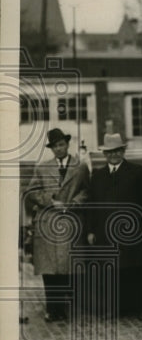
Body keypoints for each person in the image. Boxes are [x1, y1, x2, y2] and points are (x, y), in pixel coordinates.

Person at [86, 133, 142, 319]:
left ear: (123, 151)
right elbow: (92, 205)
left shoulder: (138, 172)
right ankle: (114, 307)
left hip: (131, 231)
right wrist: (91, 230)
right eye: (109, 152)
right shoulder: (98, 176)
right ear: (104, 154)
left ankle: (140, 306)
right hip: (105, 232)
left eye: (117, 151)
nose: (113, 155)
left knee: (135, 269)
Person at [25, 128, 90, 321]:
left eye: (62, 144)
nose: (59, 149)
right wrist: (50, 201)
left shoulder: (80, 167)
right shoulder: (42, 168)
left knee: (68, 267)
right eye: (55, 146)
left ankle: (67, 307)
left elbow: (87, 191)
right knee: (50, 270)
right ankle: (53, 309)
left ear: (67, 144)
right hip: (48, 223)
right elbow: (31, 192)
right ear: (51, 148)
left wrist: (74, 203)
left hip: (71, 221)